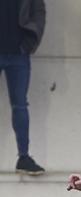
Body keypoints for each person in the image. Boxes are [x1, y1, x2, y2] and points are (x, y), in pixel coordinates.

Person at [1, 0, 46, 175]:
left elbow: (39, 12)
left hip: (18, 53)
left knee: (20, 105)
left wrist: (29, 41)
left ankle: (24, 157)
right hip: (16, 53)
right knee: (20, 105)